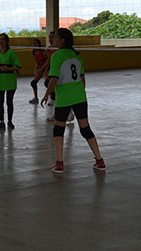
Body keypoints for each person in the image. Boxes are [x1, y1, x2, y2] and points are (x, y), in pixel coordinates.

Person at [40, 28, 104, 174]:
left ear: (62, 40)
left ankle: (59, 163)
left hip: (64, 98)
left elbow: (54, 78)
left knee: (58, 129)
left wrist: (46, 94)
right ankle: (99, 160)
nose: (52, 40)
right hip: (80, 97)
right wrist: (80, 93)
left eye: (55, 37)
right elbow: (82, 78)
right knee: (85, 128)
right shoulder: (76, 56)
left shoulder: (57, 56)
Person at [0, 33, 21, 131]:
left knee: (9, 102)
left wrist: (8, 68)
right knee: (0, 102)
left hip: (10, 81)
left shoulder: (11, 53)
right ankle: (1, 122)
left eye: (3, 39)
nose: (0, 41)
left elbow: (18, 67)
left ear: (7, 41)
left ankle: (10, 121)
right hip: (0, 81)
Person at [28, 37, 48, 104]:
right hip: (41, 69)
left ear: (39, 44)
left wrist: (44, 70)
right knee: (33, 83)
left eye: (36, 43)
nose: (34, 45)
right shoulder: (33, 52)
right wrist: (35, 71)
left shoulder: (43, 52)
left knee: (48, 83)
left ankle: (52, 99)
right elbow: (37, 63)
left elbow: (49, 61)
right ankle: (36, 98)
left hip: (47, 67)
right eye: (33, 43)